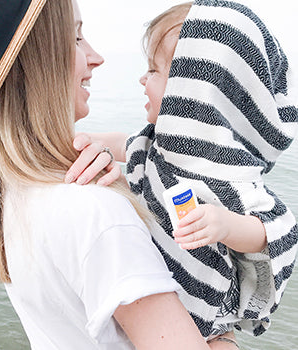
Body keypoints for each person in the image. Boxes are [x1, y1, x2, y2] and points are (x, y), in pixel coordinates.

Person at [0, 0, 216, 349]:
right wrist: (224, 336)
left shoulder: (4, 193)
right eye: (76, 38)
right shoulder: (97, 212)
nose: (96, 56)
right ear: (35, 61)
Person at [67, 0, 298, 348]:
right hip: (161, 310)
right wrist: (77, 141)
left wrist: (225, 225)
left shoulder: (229, 176)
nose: (142, 79)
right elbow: (121, 142)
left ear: (195, 89)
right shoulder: (159, 148)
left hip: (210, 324)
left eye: (155, 71)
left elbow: (275, 231)